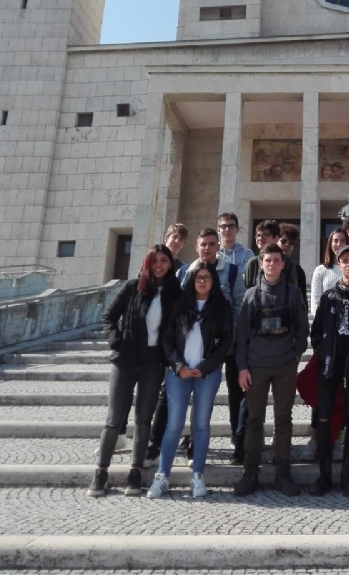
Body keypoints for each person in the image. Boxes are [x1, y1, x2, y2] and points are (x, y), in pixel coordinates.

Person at [90, 245, 180, 497]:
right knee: (114, 418)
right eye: (155, 261)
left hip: (153, 362)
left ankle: (135, 471)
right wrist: (116, 341)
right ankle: (101, 471)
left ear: (170, 264)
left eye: (164, 260)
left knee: (143, 419)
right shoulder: (132, 287)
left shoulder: (175, 294)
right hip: (126, 360)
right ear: (147, 264)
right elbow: (108, 317)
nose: (159, 265)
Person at [147, 261, 232, 498]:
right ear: (192, 280)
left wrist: (205, 366)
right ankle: (162, 476)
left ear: (213, 281)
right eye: (198, 277)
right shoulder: (181, 305)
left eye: (207, 277)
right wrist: (178, 365)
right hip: (180, 373)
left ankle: (197, 477)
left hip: (207, 373)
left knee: (201, 424)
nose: (202, 281)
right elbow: (168, 339)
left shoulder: (221, 307)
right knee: (174, 424)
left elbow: (226, 340)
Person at [234, 242, 309, 497]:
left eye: (277, 260)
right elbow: (241, 335)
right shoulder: (251, 295)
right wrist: (242, 367)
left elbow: (302, 328)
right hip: (256, 366)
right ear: (261, 263)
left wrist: (296, 355)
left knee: (283, 420)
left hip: (284, 365)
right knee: (254, 420)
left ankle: (282, 473)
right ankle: (250, 472)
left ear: (283, 263)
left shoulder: (294, 293)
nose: (272, 264)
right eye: (268, 261)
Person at [310, 244, 349, 497]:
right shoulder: (329, 296)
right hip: (330, 366)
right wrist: (324, 352)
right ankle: (324, 475)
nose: (348, 264)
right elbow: (316, 332)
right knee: (323, 418)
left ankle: (348, 475)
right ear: (339, 264)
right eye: (344, 260)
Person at [302, 227, 348, 462]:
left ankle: (337, 441)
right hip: (326, 340)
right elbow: (315, 304)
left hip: (346, 342)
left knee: (340, 397)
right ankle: (315, 439)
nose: (338, 244)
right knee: (318, 392)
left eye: (342, 240)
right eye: (335, 240)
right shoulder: (322, 270)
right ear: (329, 244)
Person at [215, 212, 253, 463]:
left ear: (238, 229)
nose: (227, 230)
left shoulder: (248, 256)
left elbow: (246, 291)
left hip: (237, 328)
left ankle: (236, 432)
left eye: (231, 226)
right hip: (213, 331)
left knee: (235, 386)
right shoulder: (212, 255)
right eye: (223, 227)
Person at [243, 220, 298, 289]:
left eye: (265, 235)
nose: (260, 238)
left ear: (276, 238)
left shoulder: (287, 262)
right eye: (258, 235)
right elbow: (247, 292)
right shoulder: (252, 263)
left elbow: (292, 292)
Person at [279, 222, 307, 306]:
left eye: (291, 243)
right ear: (276, 240)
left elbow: (303, 302)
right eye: (284, 241)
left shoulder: (298, 270)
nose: (287, 245)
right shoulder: (266, 264)